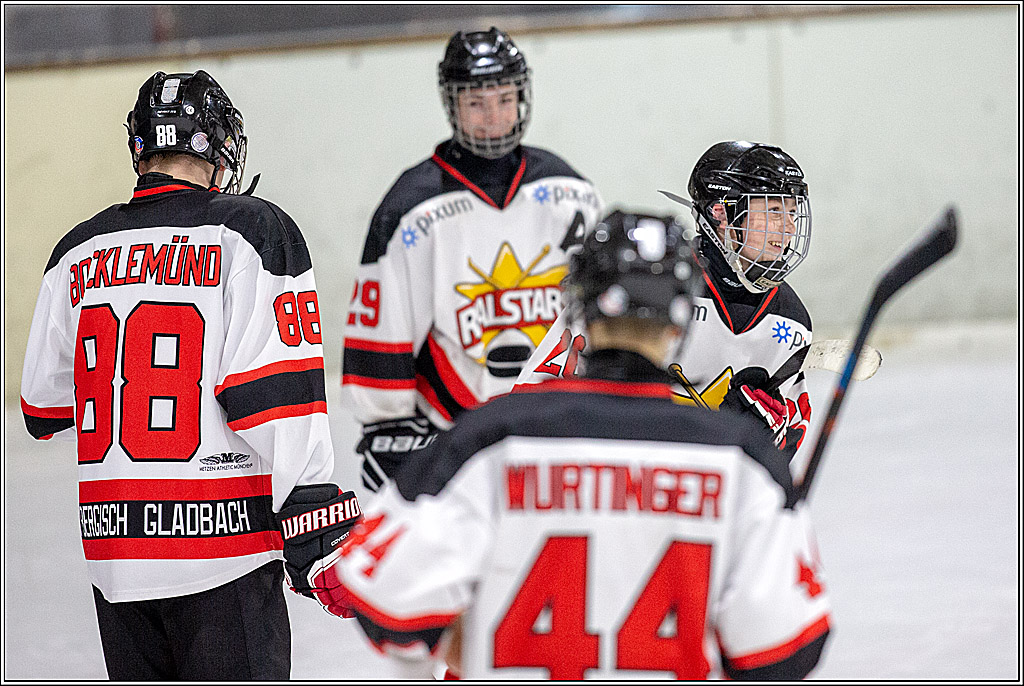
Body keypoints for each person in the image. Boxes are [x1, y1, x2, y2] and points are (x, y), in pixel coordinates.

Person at [307, 209, 831, 679]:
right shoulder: (739, 461)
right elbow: (784, 652)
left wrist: (472, 649)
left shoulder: (491, 440)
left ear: (579, 307)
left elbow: (390, 610)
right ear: (679, 323)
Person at [19, 70, 360, 680]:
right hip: (222, 558)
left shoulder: (75, 251)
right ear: (217, 145)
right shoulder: (252, 232)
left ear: (141, 148)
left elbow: (42, 407)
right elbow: (274, 400)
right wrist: (311, 509)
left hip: (115, 557)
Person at [341, 27, 604, 493]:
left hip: (556, 433)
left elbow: (596, 315)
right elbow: (383, 326)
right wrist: (385, 429)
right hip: (450, 439)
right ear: (452, 104)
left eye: (505, 99)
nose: (493, 117)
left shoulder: (571, 193)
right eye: (476, 103)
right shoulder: (411, 206)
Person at [516, 141, 814, 460]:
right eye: (773, 210)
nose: (789, 227)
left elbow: (789, 436)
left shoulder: (792, 322)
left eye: (793, 212)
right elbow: (531, 401)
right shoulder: (653, 284)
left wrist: (765, 442)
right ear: (721, 213)